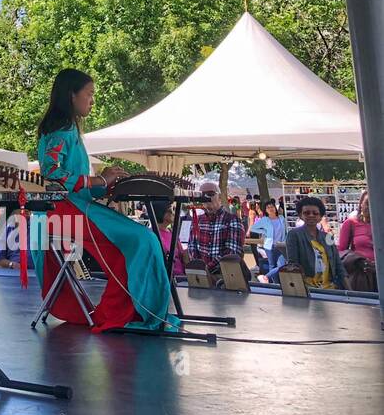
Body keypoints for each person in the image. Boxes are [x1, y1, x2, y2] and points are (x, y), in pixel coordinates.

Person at [30, 69, 178, 332]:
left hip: (70, 208)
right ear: (71, 95)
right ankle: (125, 312)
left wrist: (107, 183)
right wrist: (99, 181)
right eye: (89, 94)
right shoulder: (60, 130)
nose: (92, 101)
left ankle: (128, 310)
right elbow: (52, 174)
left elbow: (73, 182)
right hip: (60, 211)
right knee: (140, 240)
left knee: (139, 241)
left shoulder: (68, 129)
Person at [286, 196, 346, 289]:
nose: (311, 215)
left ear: (320, 216)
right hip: (308, 289)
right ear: (300, 215)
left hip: (330, 288)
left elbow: (338, 264)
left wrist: (351, 291)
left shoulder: (328, 237)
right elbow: (293, 265)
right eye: (306, 213)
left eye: (315, 213)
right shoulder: (294, 235)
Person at [188, 184, 246, 277]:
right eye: (203, 195)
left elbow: (233, 252)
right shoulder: (197, 220)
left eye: (210, 194)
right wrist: (199, 268)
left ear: (219, 197)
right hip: (203, 276)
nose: (206, 197)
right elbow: (192, 247)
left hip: (227, 276)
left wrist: (207, 268)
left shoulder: (232, 219)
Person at [339, 192, 375, 292]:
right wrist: (358, 261)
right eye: (367, 203)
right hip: (362, 276)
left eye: (375, 202)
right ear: (361, 204)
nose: (371, 206)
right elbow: (341, 251)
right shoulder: (351, 223)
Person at [250, 198, 288, 279]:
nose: (271, 209)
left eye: (272, 207)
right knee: (272, 265)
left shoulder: (281, 218)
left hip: (280, 245)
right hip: (270, 246)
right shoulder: (265, 220)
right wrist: (264, 232)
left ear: (275, 208)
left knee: (282, 265)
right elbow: (253, 228)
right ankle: (275, 284)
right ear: (265, 210)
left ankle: (265, 277)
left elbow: (285, 230)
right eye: (268, 207)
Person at [151, 200, 188, 279]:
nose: (173, 213)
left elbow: (182, 255)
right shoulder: (152, 235)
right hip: (168, 280)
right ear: (161, 212)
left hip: (181, 278)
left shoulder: (171, 232)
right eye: (170, 211)